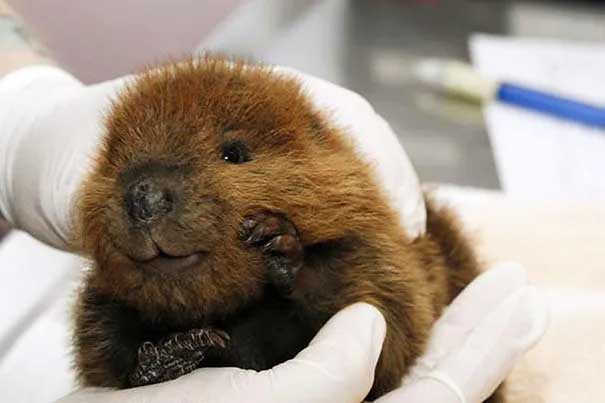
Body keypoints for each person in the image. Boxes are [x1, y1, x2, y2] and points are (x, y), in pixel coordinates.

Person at [0, 4, 547, 402]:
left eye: (232, 156)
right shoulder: (110, 298)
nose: (145, 197)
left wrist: (17, 103)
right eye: (121, 164)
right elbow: (100, 365)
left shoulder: (348, 241)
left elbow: (392, 334)